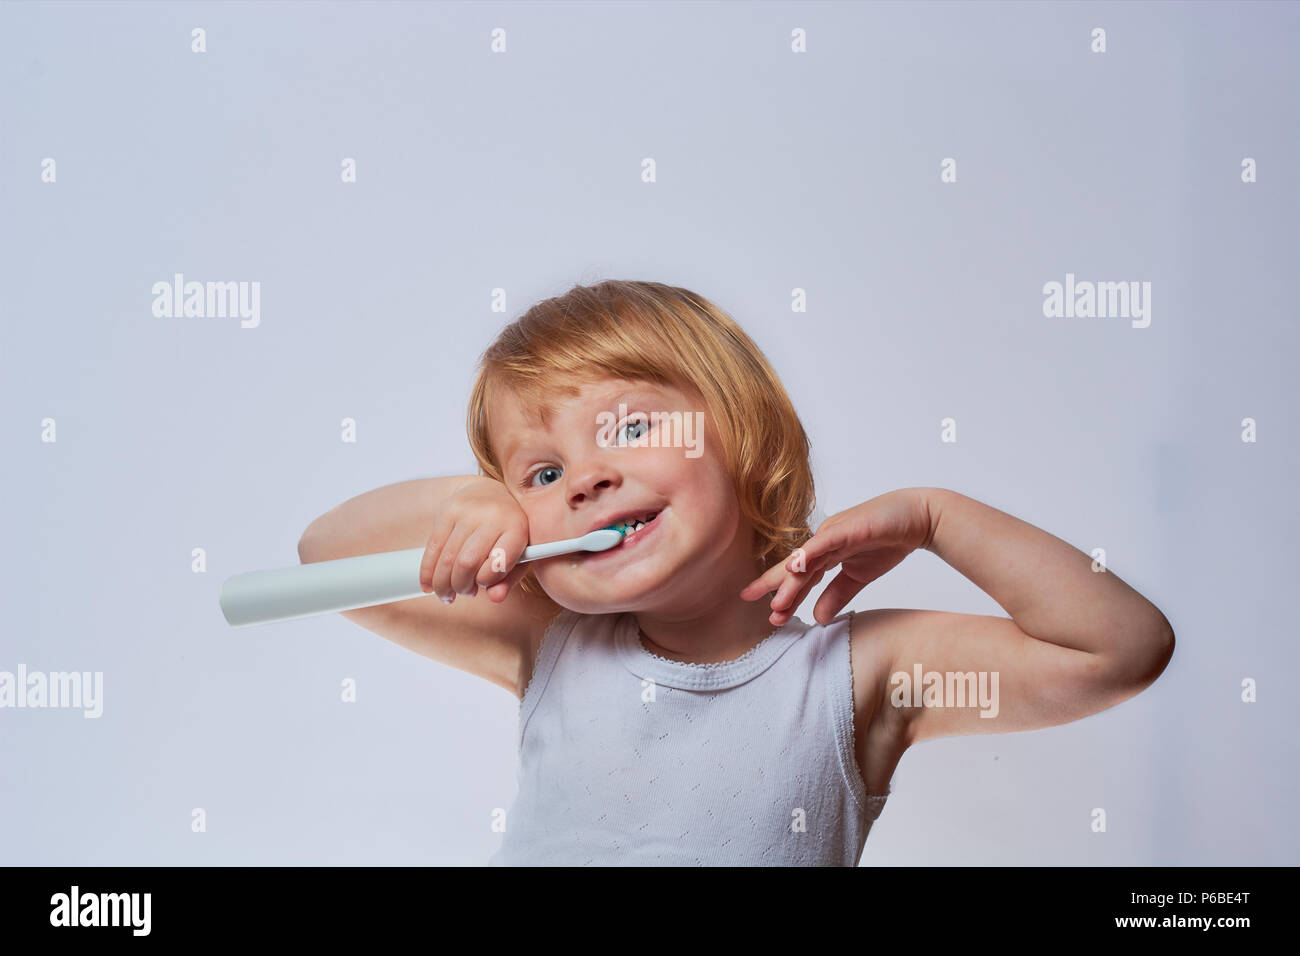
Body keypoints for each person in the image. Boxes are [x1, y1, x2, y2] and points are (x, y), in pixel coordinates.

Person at [298, 279, 1175, 866]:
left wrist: (939, 518)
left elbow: (1116, 651)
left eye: (632, 429)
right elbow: (324, 560)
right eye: (544, 474)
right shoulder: (549, 643)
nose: (588, 479)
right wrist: (471, 500)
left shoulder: (856, 674)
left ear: (744, 432)